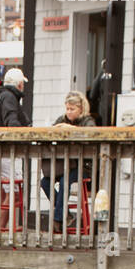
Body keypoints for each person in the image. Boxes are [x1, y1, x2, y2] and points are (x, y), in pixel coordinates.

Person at [40, 91, 96, 232]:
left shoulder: (88, 121)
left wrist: (70, 129)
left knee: (65, 181)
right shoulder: (62, 119)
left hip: (84, 166)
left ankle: (58, 219)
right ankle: (66, 214)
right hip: (65, 164)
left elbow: (91, 134)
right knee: (45, 182)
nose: (69, 112)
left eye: (72, 109)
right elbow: (52, 129)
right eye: (67, 109)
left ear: (81, 109)